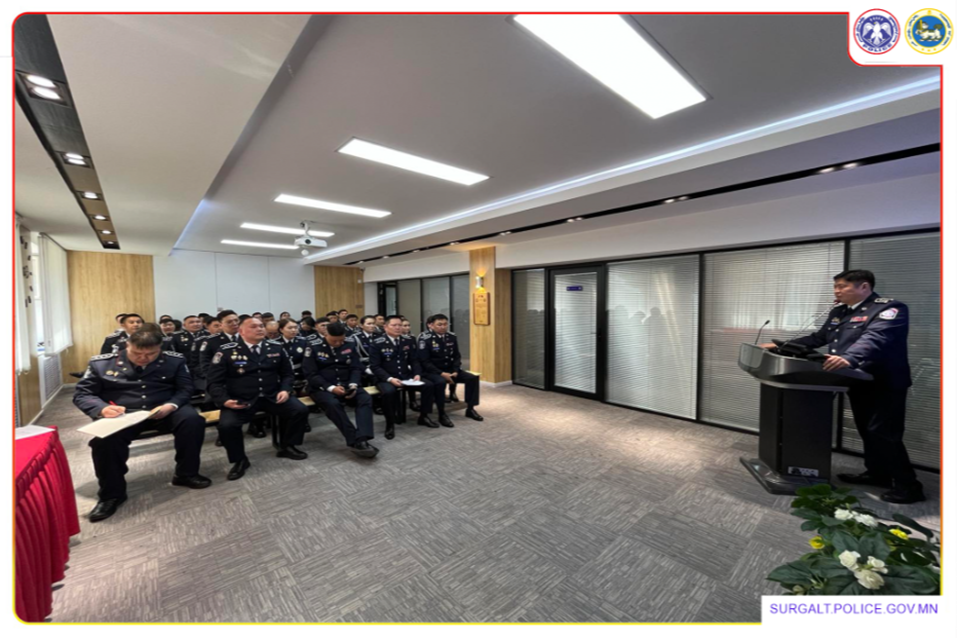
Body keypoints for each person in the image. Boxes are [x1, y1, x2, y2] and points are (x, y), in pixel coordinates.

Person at [760, 269, 923, 504]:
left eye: (842, 286)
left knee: (884, 433)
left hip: (883, 382)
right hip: (856, 379)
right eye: (835, 287)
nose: (836, 291)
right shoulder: (840, 312)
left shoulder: (889, 309)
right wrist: (780, 346)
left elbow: (876, 338)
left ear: (864, 286)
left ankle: (909, 486)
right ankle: (878, 473)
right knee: (867, 430)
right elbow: (819, 338)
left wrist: (849, 358)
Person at [73, 327, 211, 521]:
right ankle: (111, 494)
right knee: (104, 442)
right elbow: (83, 394)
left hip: (164, 408)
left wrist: (172, 405)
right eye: (137, 353)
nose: (144, 358)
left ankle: (186, 473)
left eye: (151, 354)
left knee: (193, 421)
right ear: (127, 345)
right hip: (124, 413)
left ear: (160, 349)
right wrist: (102, 409)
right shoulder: (101, 363)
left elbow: (185, 388)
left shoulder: (174, 360)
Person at [206, 317, 310, 480]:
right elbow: (214, 381)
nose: (260, 329)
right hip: (241, 399)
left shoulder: (276, 347)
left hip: (272, 395)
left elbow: (287, 374)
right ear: (241, 331)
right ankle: (239, 460)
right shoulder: (226, 351)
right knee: (227, 426)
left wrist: (285, 389)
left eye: (261, 326)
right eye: (254, 326)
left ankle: (287, 446)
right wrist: (224, 400)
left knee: (300, 410)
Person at [303, 322, 378, 457]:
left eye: (341, 340)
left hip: (347, 383)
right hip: (322, 387)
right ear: (326, 334)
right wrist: (331, 388)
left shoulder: (349, 344)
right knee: (333, 404)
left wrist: (353, 384)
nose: (338, 343)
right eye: (334, 341)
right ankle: (355, 440)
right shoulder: (313, 347)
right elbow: (311, 374)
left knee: (365, 398)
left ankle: (362, 437)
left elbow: (355, 367)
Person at [370, 315, 437, 439]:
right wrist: (390, 379)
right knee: (389, 392)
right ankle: (390, 424)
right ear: (385, 327)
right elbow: (375, 366)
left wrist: (417, 374)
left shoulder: (408, 340)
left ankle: (424, 416)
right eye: (394, 325)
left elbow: (414, 360)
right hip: (386, 377)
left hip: (406, 375)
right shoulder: (377, 343)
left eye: (400, 325)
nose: (398, 328)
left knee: (429, 385)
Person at [418, 313, 484, 425]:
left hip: (450, 370)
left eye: (445, 324)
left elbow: (456, 356)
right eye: (439, 324)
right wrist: (441, 373)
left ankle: (470, 409)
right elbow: (425, 361)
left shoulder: (451, 336)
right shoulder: (425, 339)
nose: (443, 327)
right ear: (431, 325)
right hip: (432, 371)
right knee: (440, 382)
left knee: (472, 378)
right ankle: (442, 413)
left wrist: (456, 370)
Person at [277, 318, 309, 396]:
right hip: (283, 377)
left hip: (301, 376)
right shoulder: (276, 343)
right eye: (290, 328)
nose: (293, 330)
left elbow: (308, 361)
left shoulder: (304, 341)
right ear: (281, 330)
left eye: (295, 327)